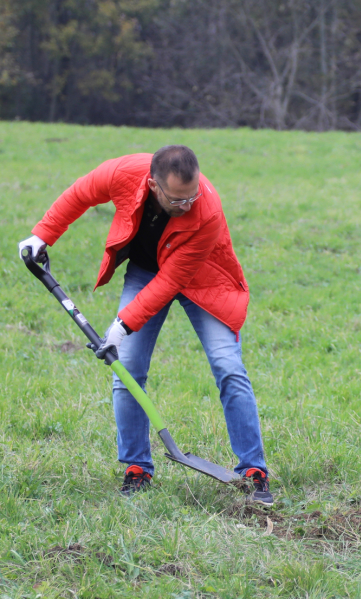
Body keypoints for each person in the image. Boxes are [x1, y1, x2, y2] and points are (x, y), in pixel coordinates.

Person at [18, 146, 273, 504]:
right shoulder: (124, 172)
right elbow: (80, 194)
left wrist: (122, 326)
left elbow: (171, 281)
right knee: (128, 369)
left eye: (192, 195)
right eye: (177, 199)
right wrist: (42, 235)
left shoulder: (207, 210)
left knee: (228, 366)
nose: (187, 205)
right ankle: (137, 468)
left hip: (205, 278)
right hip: (144, 270)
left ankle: (254, 471)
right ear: (153, 184)